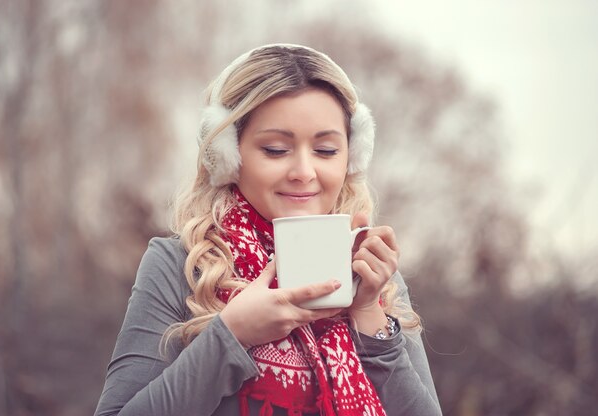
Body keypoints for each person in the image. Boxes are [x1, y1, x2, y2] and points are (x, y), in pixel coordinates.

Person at [94, 43, 442, 416]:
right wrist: (232, 335)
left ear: (351, 157)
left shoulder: (372, 273)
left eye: (326, 151)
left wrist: (370, 313)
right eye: (276, 149)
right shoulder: (178, 265)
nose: (304, 172)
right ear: (228, 155)